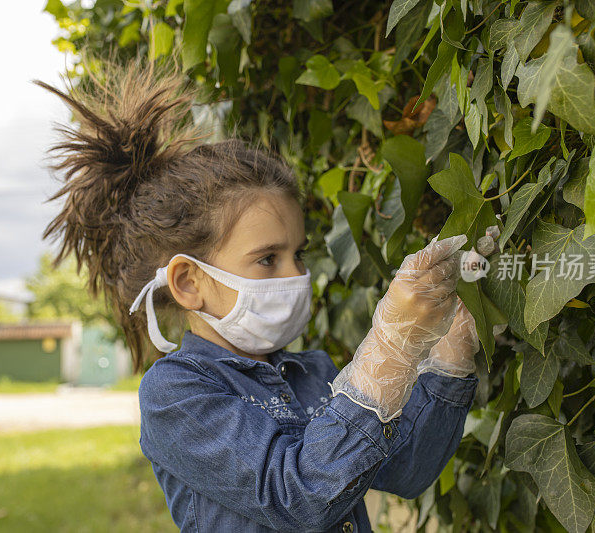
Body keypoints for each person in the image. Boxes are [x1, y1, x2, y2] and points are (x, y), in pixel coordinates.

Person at [33, 52, 481, 532]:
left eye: (298, 254)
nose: (294, 276)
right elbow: (300, 497)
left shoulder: (314, 371)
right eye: (268, 259)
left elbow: (409, 470)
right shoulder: (175, 394)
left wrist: (450, 352)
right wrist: (389, 347)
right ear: (188, 282)